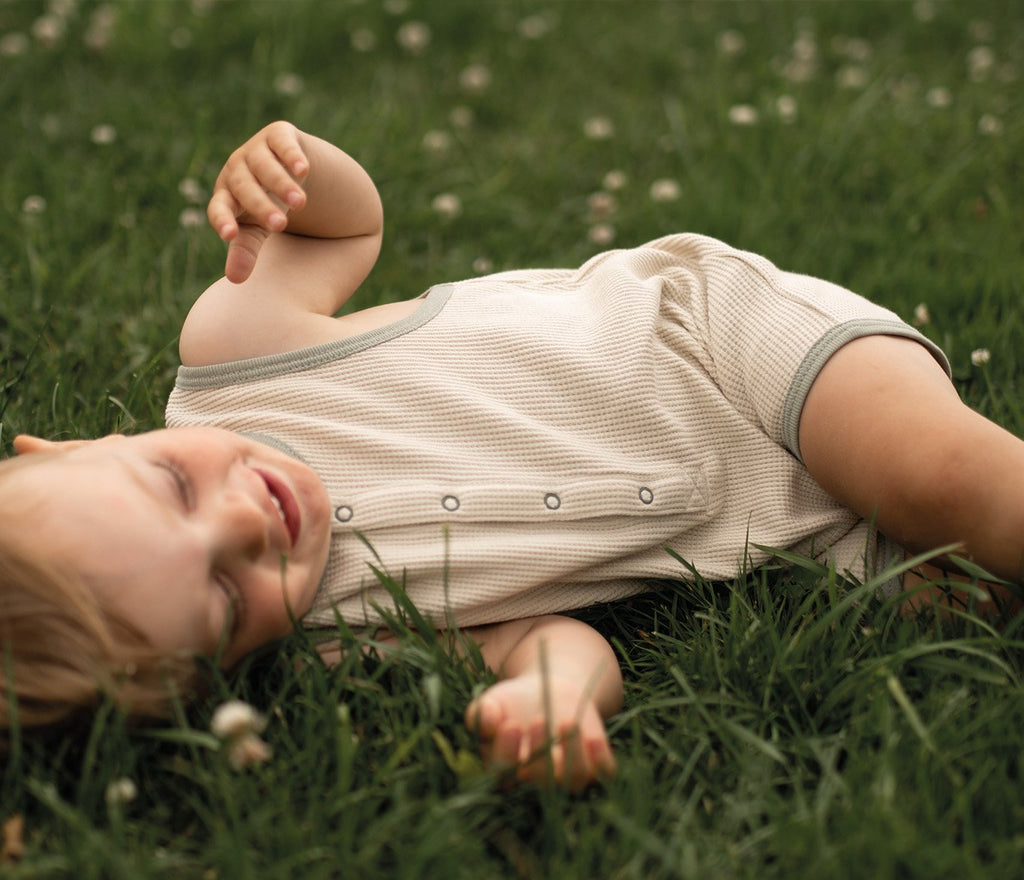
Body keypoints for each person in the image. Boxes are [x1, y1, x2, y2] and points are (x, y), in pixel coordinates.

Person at [2, 121, 1021, 788]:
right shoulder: (341, 645)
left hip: (711, 343)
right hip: (774, 524)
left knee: (942, 483)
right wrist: (553, 698)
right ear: (212, 679)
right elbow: (543, 641)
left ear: (82, 443)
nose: (242, 521)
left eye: (173, 485)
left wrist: (288, 176)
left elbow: (343, 234)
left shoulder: (232, 359)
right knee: (957, 601)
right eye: (225, 597)